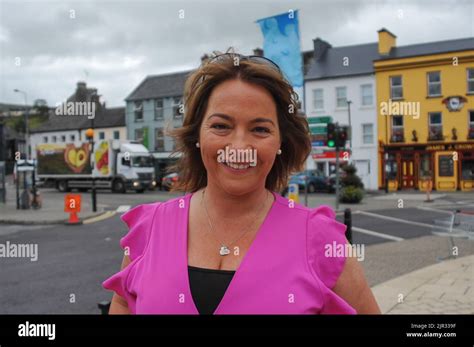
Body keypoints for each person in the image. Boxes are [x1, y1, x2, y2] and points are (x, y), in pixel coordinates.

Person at [103, 50, 380, 314]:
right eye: (221, 126)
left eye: (260, 129)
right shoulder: (149, 228)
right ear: (197, 135)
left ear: (280, 142)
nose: (239, 146)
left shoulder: (321, 240)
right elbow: (124, 303)